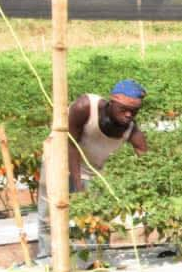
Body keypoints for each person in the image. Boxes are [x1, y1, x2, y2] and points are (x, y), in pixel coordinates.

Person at [36, 79, 148, 259]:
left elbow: (144, 154)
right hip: (58, 159)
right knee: (49, 213)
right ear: (112, 102)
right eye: (124, 109)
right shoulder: (86, 107)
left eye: (134, 111)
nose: (128, 115)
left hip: (91, 169)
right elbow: (70, 144)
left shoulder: (131, 130)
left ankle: (96, 259)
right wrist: (78, 186)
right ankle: (46, 258)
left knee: (95, 217)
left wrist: (144, 187)